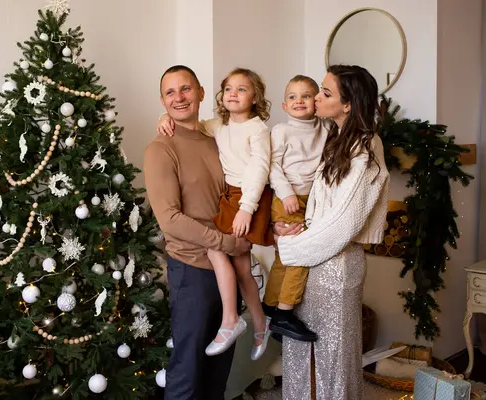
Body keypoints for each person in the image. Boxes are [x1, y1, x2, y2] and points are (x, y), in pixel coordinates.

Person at [274, 65, 390, 400]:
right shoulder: (336, 138)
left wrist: (290, 246)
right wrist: (292, 229)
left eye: (325, 93)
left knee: (332, 359)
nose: (316, 98)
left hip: (336, 269)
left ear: (348, 104)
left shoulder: (366, 148)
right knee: (300, 352)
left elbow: (343, 223)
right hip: (313, 261)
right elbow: (320, 209)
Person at [144, 65, 251, 400]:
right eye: (171, 92)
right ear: (162, 100)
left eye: (186, 89)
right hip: (191, 269)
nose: (179, 97)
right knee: (187, 369)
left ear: (202, 92)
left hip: (229, 268)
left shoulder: (218, 139)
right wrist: (225, 243)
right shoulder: (161, 149)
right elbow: (170, 219)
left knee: (218, 372)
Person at [157, 68, 273, 361]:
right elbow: (199, 124)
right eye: (229, 89)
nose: (234, 94)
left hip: (247, 199)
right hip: (232, 200)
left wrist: (247, 208)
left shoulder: (257, 129)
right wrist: (165, 118)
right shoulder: (219, 126)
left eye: (242, 89)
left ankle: (232, 320)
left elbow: (261, 169)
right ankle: (259, 323)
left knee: (218, 251)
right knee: (242, 268)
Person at [262, 75, 330, 342]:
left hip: (311, 200)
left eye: (305, 96)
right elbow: (273, 166)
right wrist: (287, 193)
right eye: (292, 97)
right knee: (299, 254)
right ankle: (285, 313)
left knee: (286, 257)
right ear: (284, 105)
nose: (299, 101)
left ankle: (271, 304)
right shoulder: (281, 131)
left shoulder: (324, 129)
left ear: (316, 102)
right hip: (287, 198)